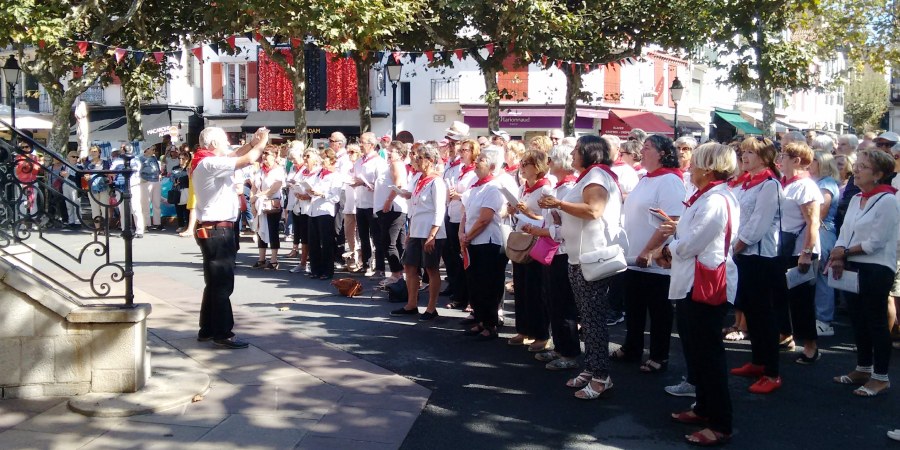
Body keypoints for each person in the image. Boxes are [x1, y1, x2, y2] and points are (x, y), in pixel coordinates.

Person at [658, 142, 739, 447]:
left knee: (708, 356)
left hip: (704, 285)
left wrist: (669, 248)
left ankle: (721, 423)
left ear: (708, 168)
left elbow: (693, 244)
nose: (688, 166)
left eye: (695, 163)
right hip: (693, 281)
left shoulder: (715, 200)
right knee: (696, 352)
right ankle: (704, 407)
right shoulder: (707, 196)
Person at [538, 135, 624, 400]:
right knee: (587, 318)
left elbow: (593, 210)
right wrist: (559, 212)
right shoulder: (590, 176)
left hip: (590, 259)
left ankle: (601, 377)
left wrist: (559, 204)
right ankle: (592, 368)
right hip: (580, 258)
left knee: (593, 321)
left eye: (576, 150)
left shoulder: (597, 176)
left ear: (590, 152)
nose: (572, 154)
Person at [828, 149, 899, 397]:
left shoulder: (889, 200)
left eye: (863, 166)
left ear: (879, 174)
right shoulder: (858, 198)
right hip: (854, 264)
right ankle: (863, 368)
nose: (856, 169)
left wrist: (842, 253)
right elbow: (845, 231)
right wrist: (839, 252)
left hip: (877, 268)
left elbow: (875, 242)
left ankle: (880, 377)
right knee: (858, 320)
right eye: (857, 165)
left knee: (876, 322)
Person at [612, 135, 686, 373]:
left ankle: (659, 355)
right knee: (634, 308)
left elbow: (670, 220)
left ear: (662, 154)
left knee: (658, 312)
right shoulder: (646, 179)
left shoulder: (670, 181)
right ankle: (632, 347)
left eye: (647, 148)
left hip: (654, 260)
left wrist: (650, 250)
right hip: (634, 256)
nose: (641, 151)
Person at [192, 126, 268, 349]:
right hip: (218, 230)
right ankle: (223, 333)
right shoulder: (209, 163)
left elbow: (235, 155)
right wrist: (261, 144)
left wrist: (253, 143)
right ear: (214, 144)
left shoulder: (204, 160)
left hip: (214, 228)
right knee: (222, 283)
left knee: (214, 283)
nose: (228, 145)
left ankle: (207, 329)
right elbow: (245, 160)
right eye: (224, 141)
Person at [730, 137, 784, 394]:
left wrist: (735, 248)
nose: (744, 156)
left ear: (765, 157)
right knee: (751, 311)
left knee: (764, 315)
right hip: (745, 255)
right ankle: (758, 361)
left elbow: (758, 225)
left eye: (751, 152)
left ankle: (772, 372)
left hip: (761, 257)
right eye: (743, 152)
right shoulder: (746, 183)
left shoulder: (769, 185)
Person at [521, 143, 581, 370]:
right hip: (554, 250)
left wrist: (540, 230)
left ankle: (569, 352)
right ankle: (559, 347)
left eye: (552, 160)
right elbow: (550, 219)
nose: (548, 164)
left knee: (563, 304)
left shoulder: (569, 189)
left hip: (563, 251)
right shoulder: (559, 188)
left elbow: (564, 225)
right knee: (553, 301)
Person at [774, 142, 822, 365]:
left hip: (799, 249)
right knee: (782, 296)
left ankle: (811, 346)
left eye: (784, 155)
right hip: (783, 247)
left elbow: (813, 222)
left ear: (797, 161)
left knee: (802, 300)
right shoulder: (784, 183)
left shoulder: (805, 186)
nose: (780, 159)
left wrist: (806, 252)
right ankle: (786, 335)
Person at [392, 144, 447, 320]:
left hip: (431, 230)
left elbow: (439, 209)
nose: (416, 160)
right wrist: (410, 230)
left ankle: (431, 307)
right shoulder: (417, 178)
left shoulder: (437, 181)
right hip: (417, 229)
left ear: (430, 160)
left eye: (420, 157)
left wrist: (432, 235)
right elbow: (414, 205)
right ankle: (411, 304)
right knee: (409, 266)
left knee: (431, 269)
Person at [460, 145, 508, 340]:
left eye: (481, 160)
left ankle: (490, 323)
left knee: (488, 284)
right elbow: (466, 213)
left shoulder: (493, 187)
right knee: (475, 283)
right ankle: (480, 320)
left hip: (487, 242)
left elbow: (485, 218)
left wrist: (468, 235)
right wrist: (461, 233)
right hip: (473, 240)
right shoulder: (475, 187)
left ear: (492, 166)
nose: (477, 162)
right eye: (477, 158)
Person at [508, 150, 553, 352]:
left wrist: (527, 212)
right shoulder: (523, 188)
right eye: (522, 163)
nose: (522, 167)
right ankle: (524, 329)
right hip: (522, 238)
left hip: (536, 242)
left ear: (537, 167)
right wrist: (513, 210)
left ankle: (542, 334)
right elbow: (519, 213)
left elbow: (547, 220)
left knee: (537, 290)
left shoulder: (545, 190)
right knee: (522, 287)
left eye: (526, 163)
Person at [444, 139, 480, 310]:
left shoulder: (474, 171)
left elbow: (472, 194)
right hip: (454, 214)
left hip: (464, 217)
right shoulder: (461, 170)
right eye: (462, 149)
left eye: (465, 149)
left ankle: (469, 299)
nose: (461, 152)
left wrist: (458, 194)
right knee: (454, 259)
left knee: (465, 260)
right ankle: (459, 295)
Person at [810, 151, 841, 337]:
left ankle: (824, 320)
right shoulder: (818, 183)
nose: (810, 163)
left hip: (823, 231)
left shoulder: (827, 183)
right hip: (818, 230)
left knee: (822, 276)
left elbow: (821, 211)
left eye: (814, 160)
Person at [352, 132, 389, 276]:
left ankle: (380, 267)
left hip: (374, 204)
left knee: (377, 237)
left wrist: (365, 183)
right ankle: (366, 264)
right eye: (359, 142)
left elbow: (382, 185)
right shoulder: (359, 161)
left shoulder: (379, 162)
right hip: (360, 202)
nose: (360, 145)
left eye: (362, 142)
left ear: (372, 145)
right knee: (363, 236)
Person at [374, 141, 409, 286]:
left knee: (388, 243)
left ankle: (396, 274)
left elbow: (398, 184)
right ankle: (401, 273)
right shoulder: (391, 165)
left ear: (400, 154)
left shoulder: (396, 164)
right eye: (388, 150)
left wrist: (388, 201)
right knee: (397, 244)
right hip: (391, 208)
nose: (388, 152)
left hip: (392, 209)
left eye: (392, 151)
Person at [306, 149, 343, 280]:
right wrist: (309, 191)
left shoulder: (336, 176)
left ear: (332, 160)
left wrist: (321, 194)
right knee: (313, 241)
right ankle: (315, 269)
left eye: (325, 159)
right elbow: (311, 189)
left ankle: (327, 270)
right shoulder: (318, 174)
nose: (322, 162)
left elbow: (336, 197)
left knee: (326, 241)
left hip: (326, 210)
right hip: (313, 210)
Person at [250, 145, 285, 270]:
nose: (264, 156)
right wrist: (252, 202)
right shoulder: (259, 170)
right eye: (263, 153)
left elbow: (274, 188)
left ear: (275, 156)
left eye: (267, 153)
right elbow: (254, 187)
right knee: (260, 230)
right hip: (259, 204)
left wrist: (258, 196)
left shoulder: (279, 170)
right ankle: (261, 258)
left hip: (271, 204)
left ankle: (274, 259)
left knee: (272, 230)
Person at [109, 147, 145, 238]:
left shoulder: (136, 160)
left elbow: (137, 170)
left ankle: (139, 230)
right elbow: (111, 172)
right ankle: (124, 229)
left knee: (136, 208)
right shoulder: (117, 161)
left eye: (125, 148)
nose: (124, 150)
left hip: (134, 186)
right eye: (123, 148)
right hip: (120, 187)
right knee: (122, 209)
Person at [84, 145, 112, 233]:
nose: (93, 153)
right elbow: (84, 174)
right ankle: (97, 229)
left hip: (103, 187)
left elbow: (109, 174)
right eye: (92, 151)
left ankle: (105, 229)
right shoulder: (87, 163)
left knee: (104, 208)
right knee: (95, 208)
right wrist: (86, 177)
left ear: (99, 152)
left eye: (95, 151)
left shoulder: (105, 162)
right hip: (92, 187)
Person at [139, 144, 164, 231]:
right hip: (146, 181)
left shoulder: (154, 158)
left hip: (156, 180)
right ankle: (147, 223)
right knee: (146, 203)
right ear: (146, 149)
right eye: (151, 148)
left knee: (156, 203)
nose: (153, 150)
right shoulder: (141, 159)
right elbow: (138, 170)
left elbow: (157, 168)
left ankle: (157, 222)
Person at [60, 151, 83, 229]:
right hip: (65, 185)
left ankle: (78, 221)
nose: (75, 158)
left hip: (74, 186)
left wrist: (68, 175)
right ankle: (71, 221)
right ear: (68, 157)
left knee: (76, 204)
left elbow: (78, 179)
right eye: (73, 156)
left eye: (77, 157)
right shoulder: (64, 166)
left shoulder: (79, 167)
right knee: (68, 204)